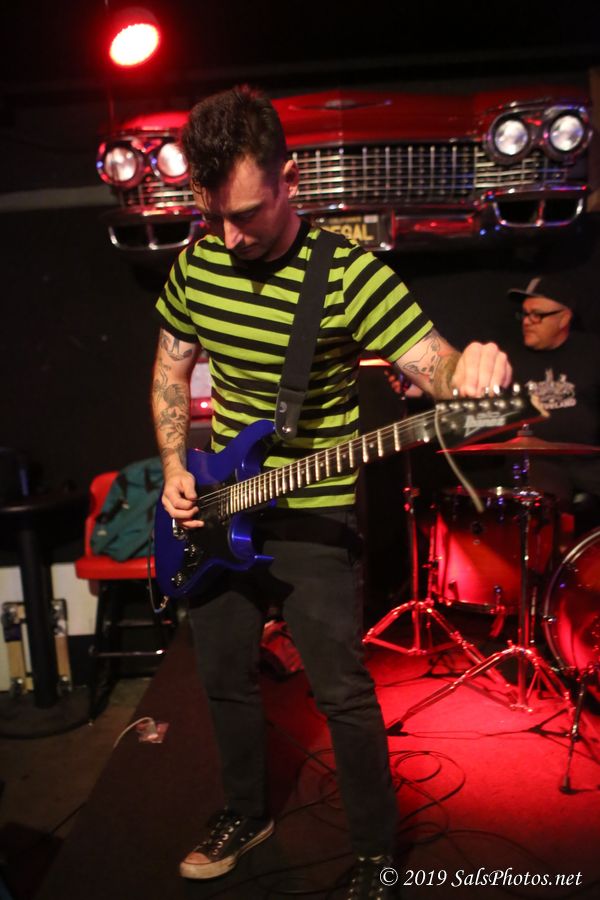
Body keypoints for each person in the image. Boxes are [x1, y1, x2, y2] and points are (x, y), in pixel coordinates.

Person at [151, 85, 511, 899]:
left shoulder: (350, 278)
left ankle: (377, 854)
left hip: (315, 510)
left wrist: (474, 369)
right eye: (215, 215)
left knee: (342, 695)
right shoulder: (197, 264)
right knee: (223, 674)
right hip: (220, 501)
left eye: (247, 213)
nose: (231, 236)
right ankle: (246, 811)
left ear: (291, 179)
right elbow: (171, 370)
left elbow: (437, 365)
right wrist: (175, 465)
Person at [507, 272, 600, 532]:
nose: (528, 321)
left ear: (564, 318)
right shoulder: (509, 358)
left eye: (538, 315)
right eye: (525, 314)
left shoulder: (592, 352)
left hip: (589, 460)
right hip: (539, 462)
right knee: (545, 503)